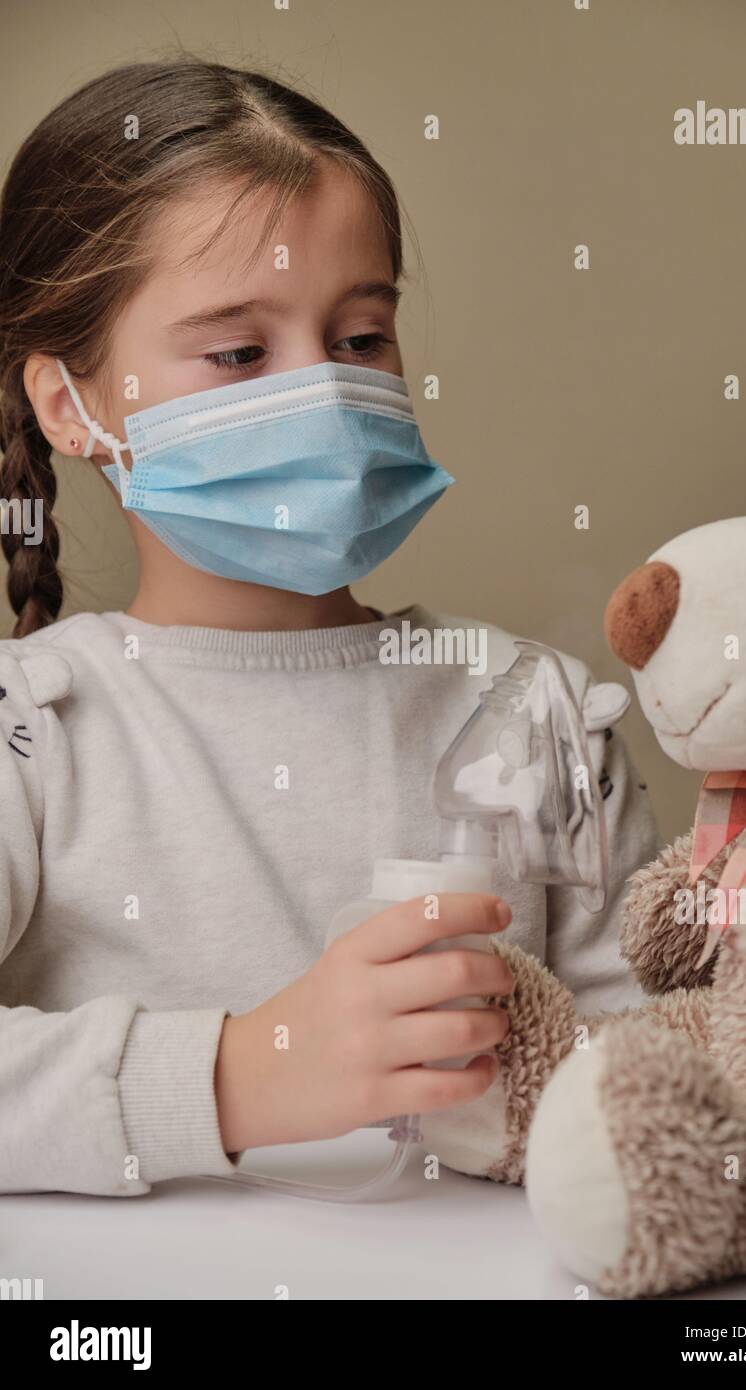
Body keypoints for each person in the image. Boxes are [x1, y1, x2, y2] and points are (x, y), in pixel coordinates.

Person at [0, 58, 658, 1196]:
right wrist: (239, 1075)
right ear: (74, 406)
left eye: (359, 338)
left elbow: (668, 1072)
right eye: (240, 353)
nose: (322, 393)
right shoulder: (33, 727)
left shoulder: (535, 708)